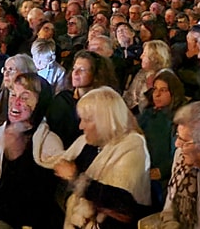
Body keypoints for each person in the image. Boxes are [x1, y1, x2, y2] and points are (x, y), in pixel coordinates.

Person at [0, 72, 63, 228]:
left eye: (24, 97)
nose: (15, 102)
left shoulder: (48, 143)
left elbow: (44, 199)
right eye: (13, 94)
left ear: (40, 103)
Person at [53, 86, 152, 228]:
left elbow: (121, 203)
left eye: (87, 120)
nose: (81, 126)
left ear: (104, 121)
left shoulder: (133, 146)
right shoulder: (87, 144)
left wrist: (76, 177)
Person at [137, 69, 185, 207]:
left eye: (163, 90)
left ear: (173, 93)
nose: (156, 94)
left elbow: (179, 153)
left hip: (163, 178)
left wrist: (161, 171)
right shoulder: (147, 114)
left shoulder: (178, 119)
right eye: (155, 89)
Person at [123, 39, 171, 113]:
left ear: (155, 58)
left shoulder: (166, 78)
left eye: (145, 54)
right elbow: (129, 99)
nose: (141, 57)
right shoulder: (142, 73)